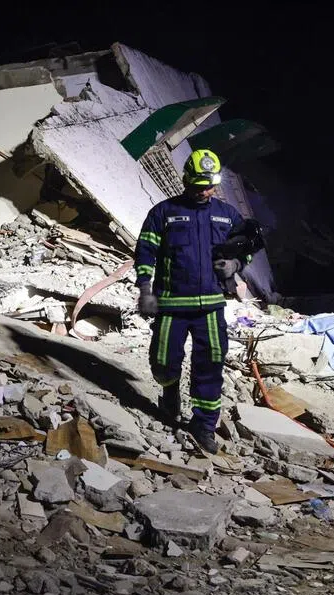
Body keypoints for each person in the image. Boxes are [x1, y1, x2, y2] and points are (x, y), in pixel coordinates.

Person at [133, 149, 255, 455]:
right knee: (163, 364)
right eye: (199, 185)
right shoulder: (164, 212)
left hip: (211, 308)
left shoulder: (227, 214)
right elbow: (146, 250)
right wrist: (146, 289)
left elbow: (248, 245)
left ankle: (203, 426)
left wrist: (235, 266)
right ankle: (169, 389)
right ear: (186, 180)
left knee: (211, 365)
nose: (205, 191)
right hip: (172, 306)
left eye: (210, 185)